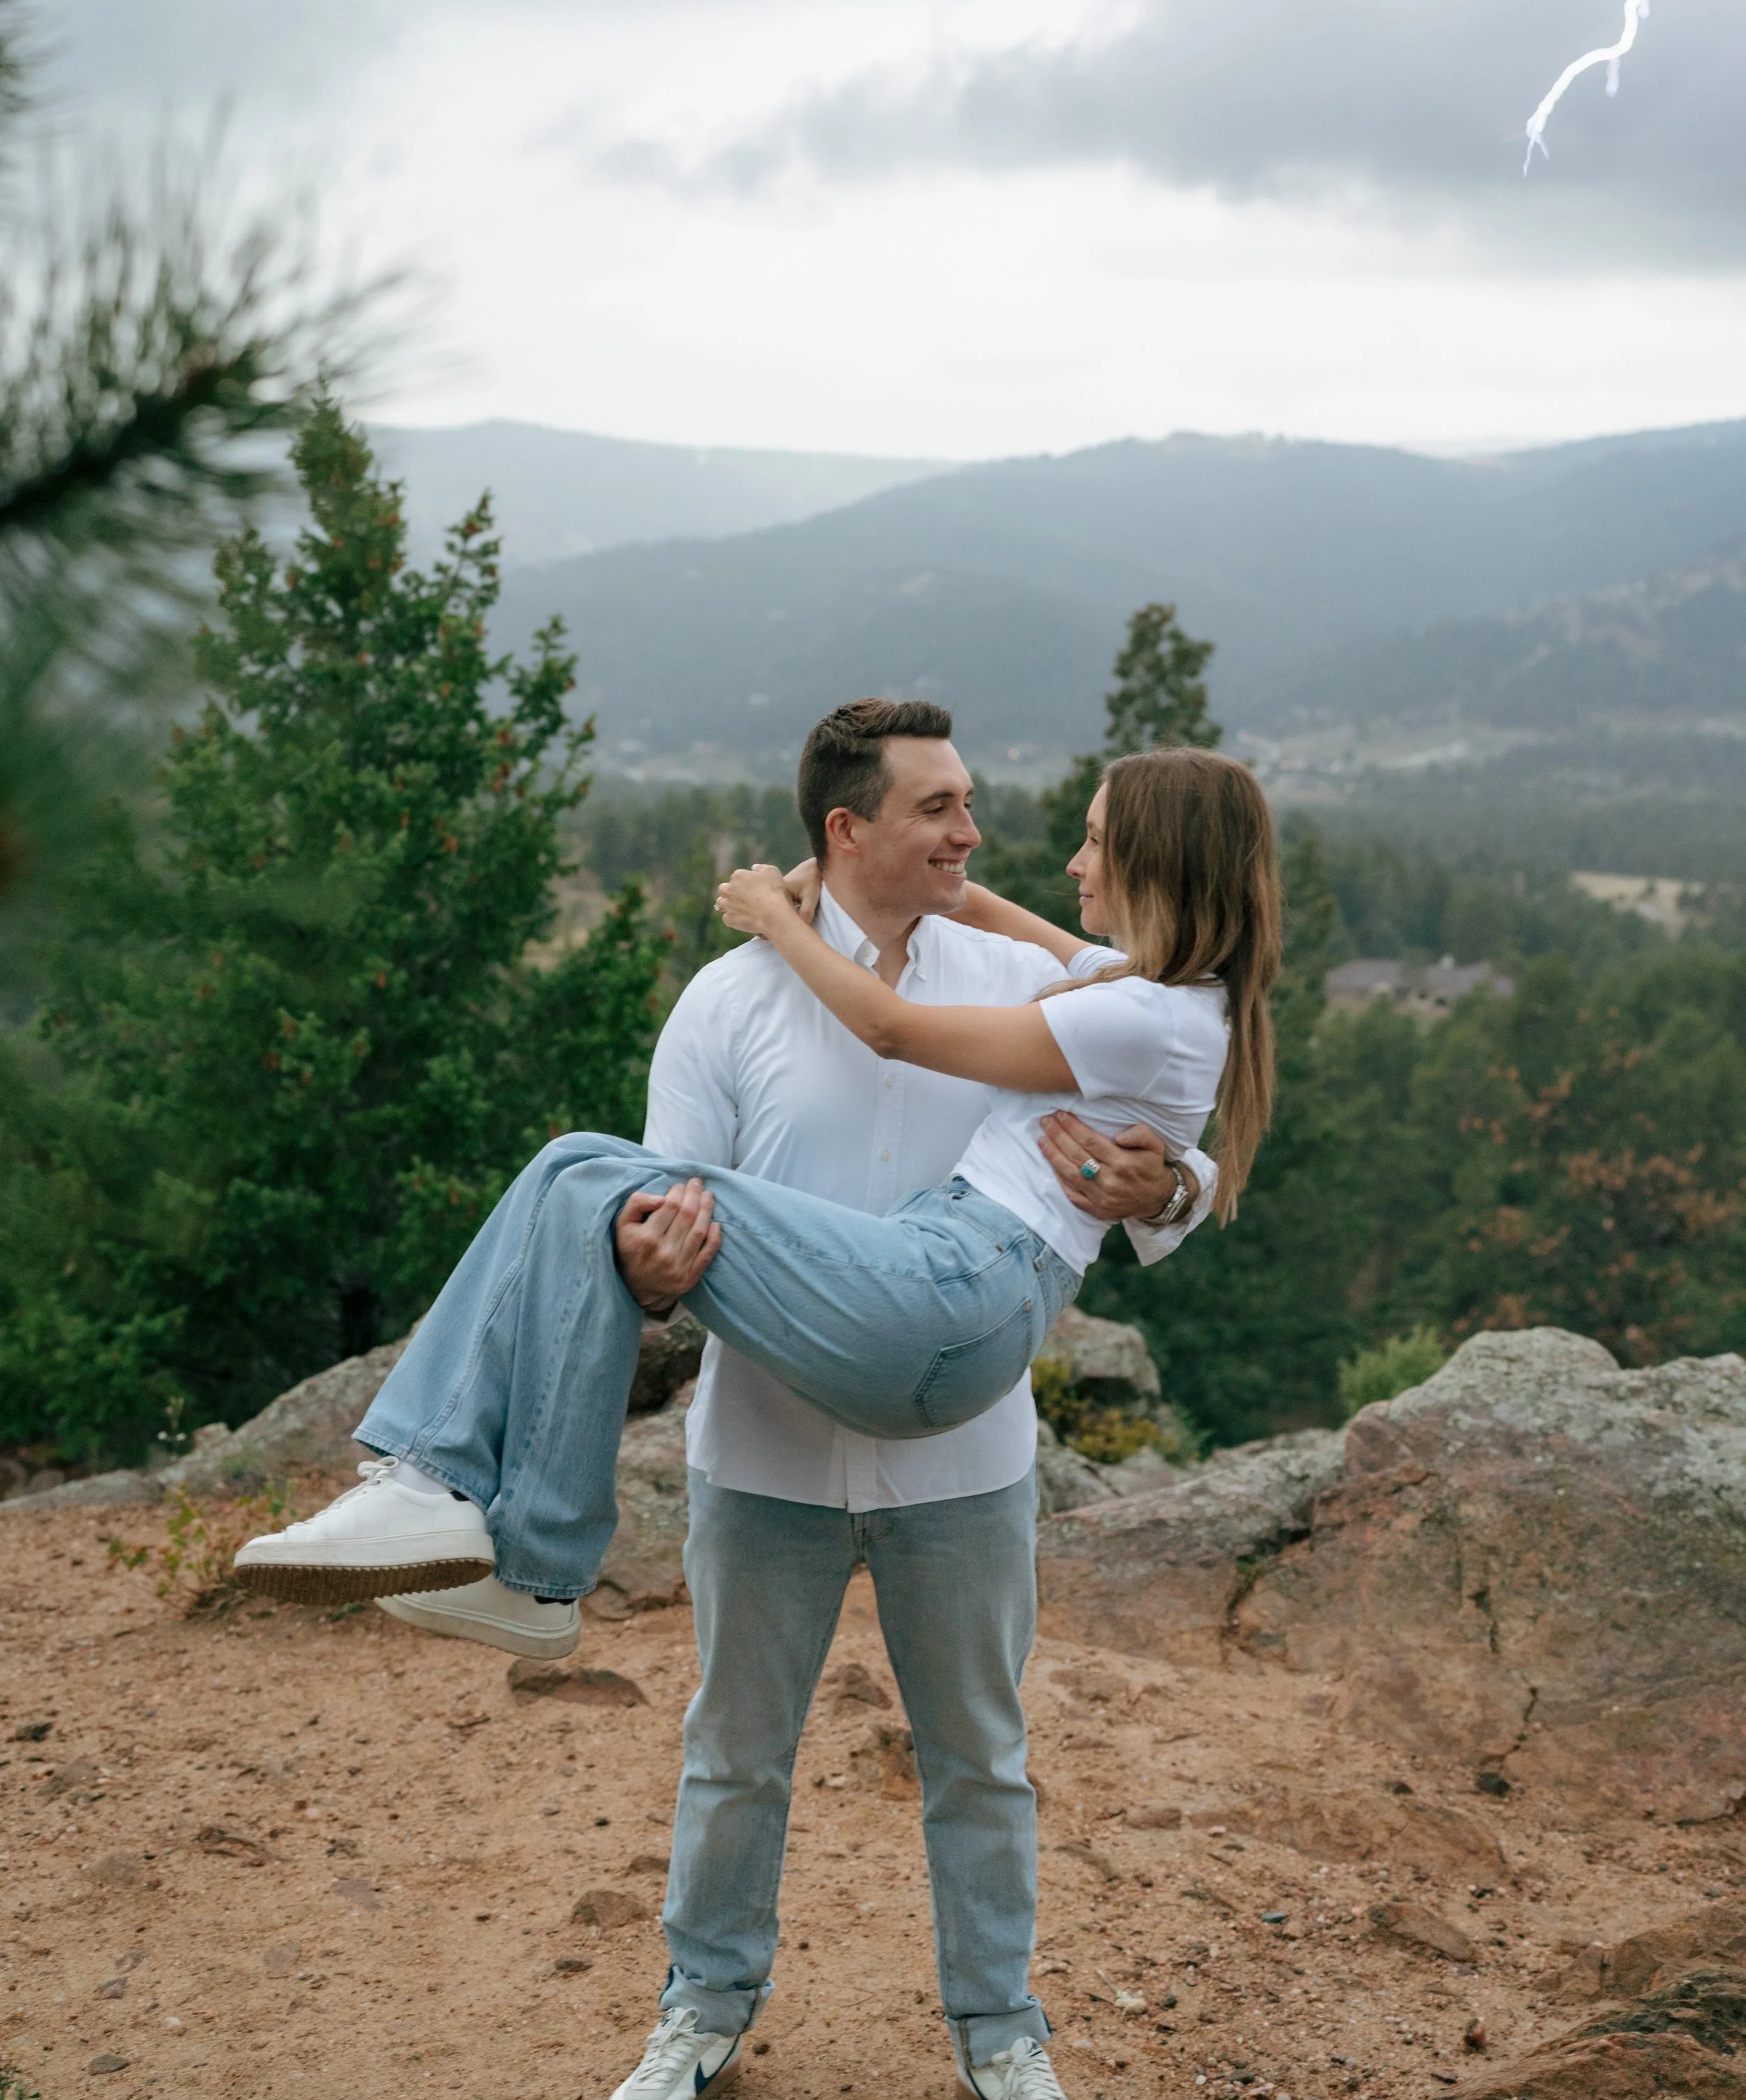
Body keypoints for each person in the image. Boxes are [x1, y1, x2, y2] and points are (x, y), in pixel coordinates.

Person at [233, 736, 1282, 2100]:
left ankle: (1000, 2030)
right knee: (733, 1754)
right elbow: (658, 1213)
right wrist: (650, 1263)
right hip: (773, 1437)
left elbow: (1136, 1099)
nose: (984, 842)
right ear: (853, 825)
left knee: (980, 1757)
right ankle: (699, 2006)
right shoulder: (726, 1006)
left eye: (1019, 821)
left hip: (954, 1422)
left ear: (1159, 862)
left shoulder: (1038, 989)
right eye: (942, 809)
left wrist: (1170, 1186)